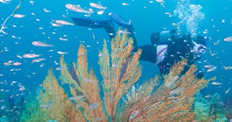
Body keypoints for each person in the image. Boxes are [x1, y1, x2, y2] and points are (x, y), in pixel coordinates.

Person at [71, 12, 207, 76]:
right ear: (194, 43)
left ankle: (129, 29)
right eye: (200, 48)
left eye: (203, 50)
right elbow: (173, 63)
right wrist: (191, 72)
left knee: (130, 50)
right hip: (155, 52)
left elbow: (178, 66)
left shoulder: (190, 54)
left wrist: (194, 72)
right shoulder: (183, 46)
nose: (200, 52)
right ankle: (108, 26)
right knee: (123, 53)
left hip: (155, 55)